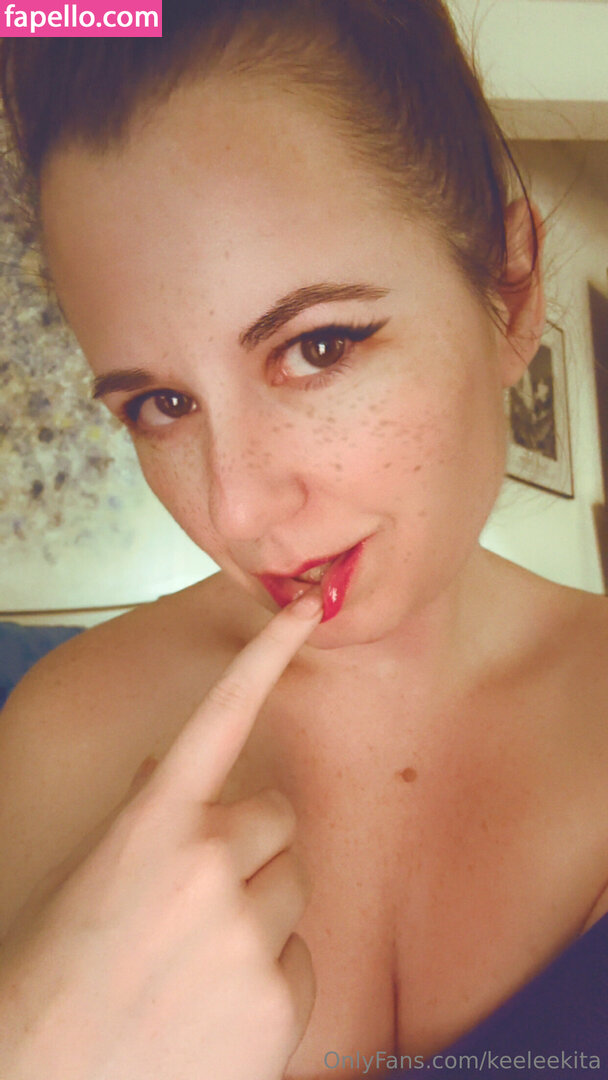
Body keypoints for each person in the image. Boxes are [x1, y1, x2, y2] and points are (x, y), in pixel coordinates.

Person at [0, 3, 607, 1077]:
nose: (234, 511)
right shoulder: (60, 736)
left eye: (317, 347)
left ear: (510, 292)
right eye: (159, 405)